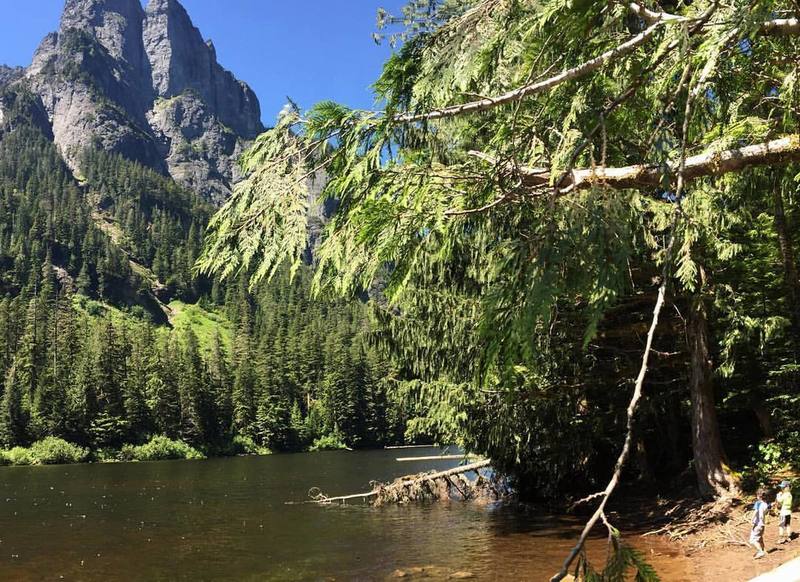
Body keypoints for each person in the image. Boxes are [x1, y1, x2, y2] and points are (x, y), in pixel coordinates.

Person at [750, 488, 769, 559]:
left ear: (758, 496)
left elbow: (756, 512)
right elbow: (765, 513)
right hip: (762, 524)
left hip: (758, 524)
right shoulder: (765, 504)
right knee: (760, 538)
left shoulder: (758, 503)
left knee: (752, 540)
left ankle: (760, 552)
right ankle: (764, 550)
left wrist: (752, 519)